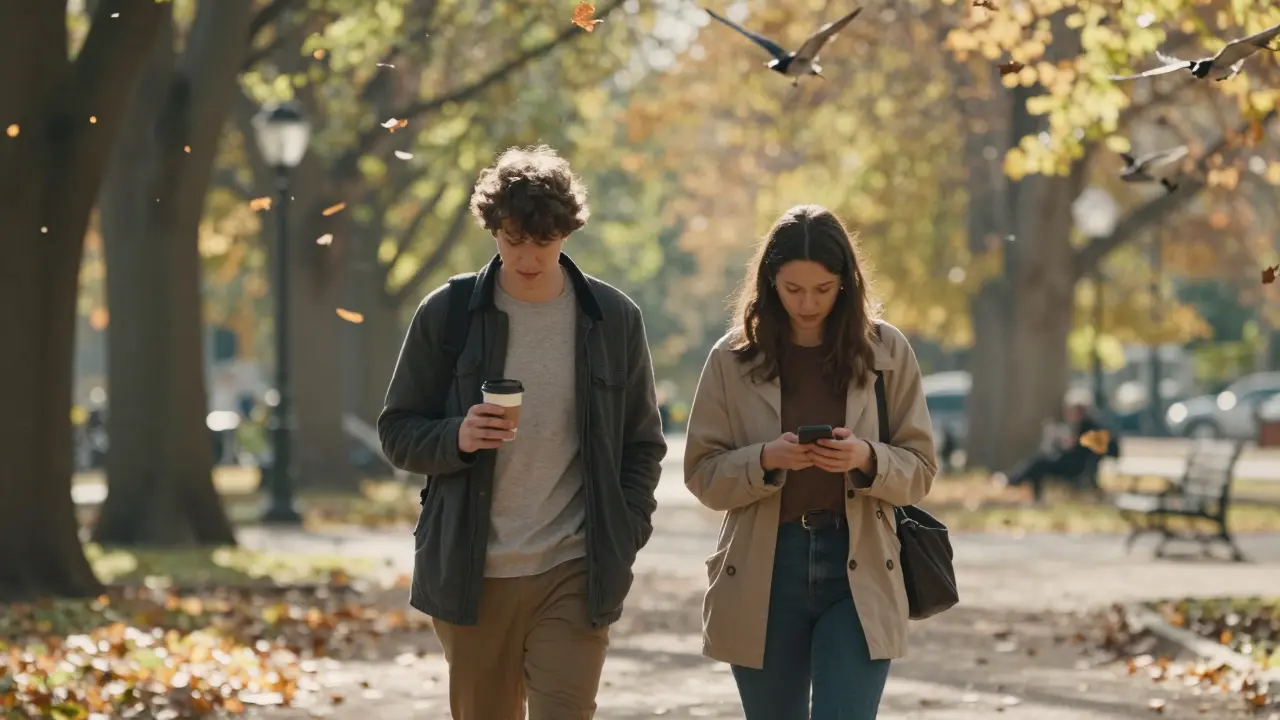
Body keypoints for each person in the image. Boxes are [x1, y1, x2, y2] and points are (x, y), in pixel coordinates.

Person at [377, 145, 667, 720]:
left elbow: (643, 444)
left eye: (542, 241)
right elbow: (397, 429)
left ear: (566, 232)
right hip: (471, 573)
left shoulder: (613, 320)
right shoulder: (449, 312)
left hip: (574, 568)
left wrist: (624, 530)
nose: (527, 257)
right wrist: (457, 437)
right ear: (493, 230)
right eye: (512, 240)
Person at [683, 204, 938, 719]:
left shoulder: (886, 352)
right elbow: (703, 475)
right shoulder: (732, 359)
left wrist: (865, 457)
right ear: (768, 282)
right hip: (764, 570)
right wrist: (766, 459)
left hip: (861, 567)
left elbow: (921, 469)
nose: (807, 303)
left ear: (846, 282)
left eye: (823, 289)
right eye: (792, 289)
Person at [992, 395, 1111, 502]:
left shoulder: (1088, 427)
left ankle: (1013, 481)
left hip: (1074, 467)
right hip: (1073, 463)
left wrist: (1062, 441)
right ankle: (1020, 485)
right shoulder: (1090, 426)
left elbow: (1078, 448)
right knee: (1039, 461)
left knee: (1039, 463)